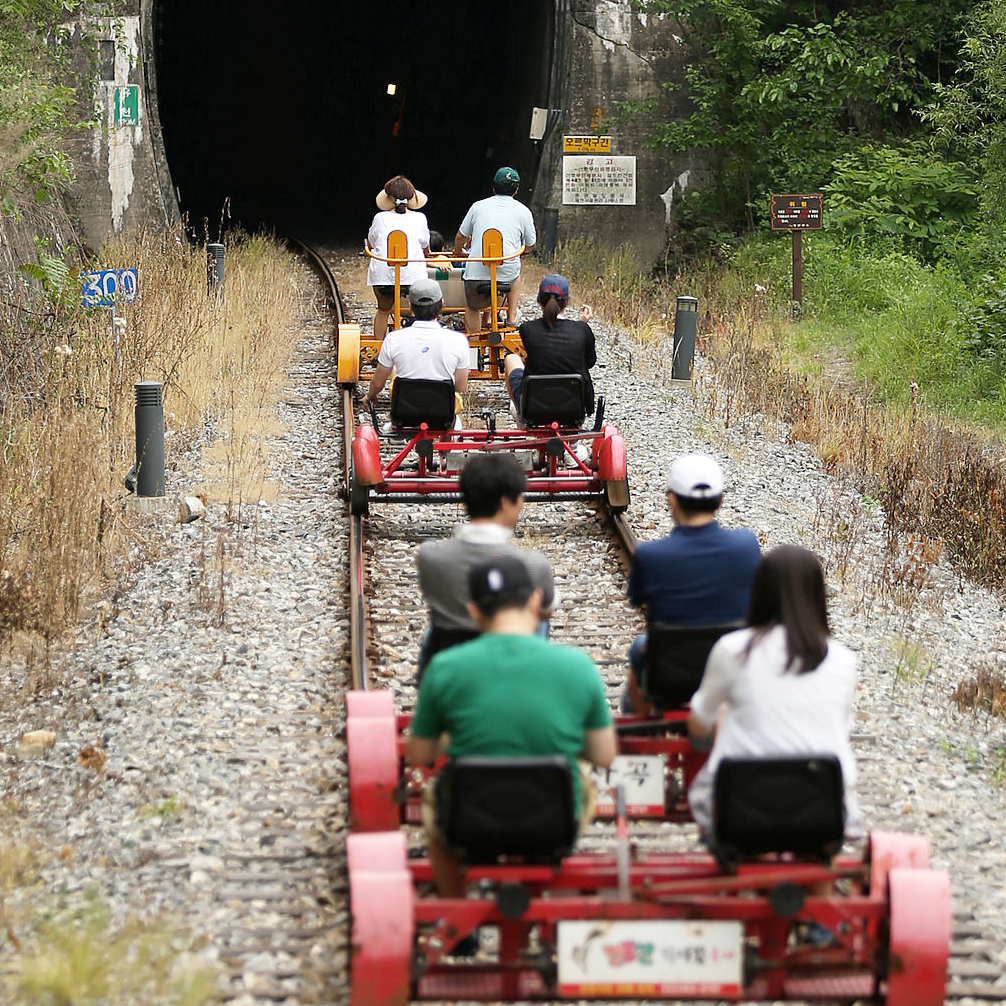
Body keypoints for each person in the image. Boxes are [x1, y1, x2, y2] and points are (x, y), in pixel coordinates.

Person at [406, 555, 617, 900]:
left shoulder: (444, 668)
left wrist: (455, 735)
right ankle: (554, 898)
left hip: (467, 821)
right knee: (582, 777)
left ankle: (459, 914)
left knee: (433, 802)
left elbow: (419, 754)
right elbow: (605, 755)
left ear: (473, 611)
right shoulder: (577, 666)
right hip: (555, 820)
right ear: (535, 600)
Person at [687, 544, 861, 842]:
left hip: (739, 804)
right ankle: (820, 882)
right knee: (823, 845)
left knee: (705, 792)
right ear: (818, 596)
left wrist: (722, 721)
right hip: (821, 805)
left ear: (760, 592)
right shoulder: (843, 660)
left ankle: (735, 878)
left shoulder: (734, 649)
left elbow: (699, 723)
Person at [623, 453, 761, 715]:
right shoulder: (747, 546)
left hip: (669, 681)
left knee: (638, 646)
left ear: (672, 499)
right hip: (734, 677)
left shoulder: (651, 555)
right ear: (720, 501)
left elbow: (636, 598)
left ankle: (639, 734)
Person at [416, 451, 556, 679]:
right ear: (504, 502)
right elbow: (545, 613)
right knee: (537, 621)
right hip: (512, 670)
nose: (522, 505)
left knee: (433, 630)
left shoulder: (430, 557)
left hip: (450, 665)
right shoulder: (532, 565)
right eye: (520, 497)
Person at [360, 277, 469, 414]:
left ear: (411, 307)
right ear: (441, 305)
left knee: (395, 369)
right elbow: (460, 386)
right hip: (443, 417)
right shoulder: (458, 340)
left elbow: (377, 383)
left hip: (404, 414)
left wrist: (370, 395)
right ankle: (447, 437)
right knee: (454, 425)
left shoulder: (393, 339)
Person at [453, 166, 536, 334]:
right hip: (507, 274)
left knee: (472, 307)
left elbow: (460, 237)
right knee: (516, 274)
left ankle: (475, 342)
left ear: (493, 187)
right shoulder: (524, 211)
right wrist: (521, 251)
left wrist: (458, 253)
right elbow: (530, 244)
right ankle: (511, 318)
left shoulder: (477, 207)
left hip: (476, 273)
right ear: (516, 189)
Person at [504, 273, 597, 418]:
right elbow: (590, 362)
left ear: (539, 301)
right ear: (566, 302)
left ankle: (522, 416)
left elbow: (548, 346)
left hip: (534, 406)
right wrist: (582, 323)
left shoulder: (527, 329)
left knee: (511, 358)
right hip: (574, 408)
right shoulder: (582, 330)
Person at [366, 175, 432, 339]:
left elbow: (372, 241)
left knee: (383, 311)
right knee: (417, 308)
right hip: (413, 277)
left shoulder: (379, 218)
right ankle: (414, 334)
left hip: (383, 277)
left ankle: (379, 350)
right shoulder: (419, 218)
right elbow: (425, 243)